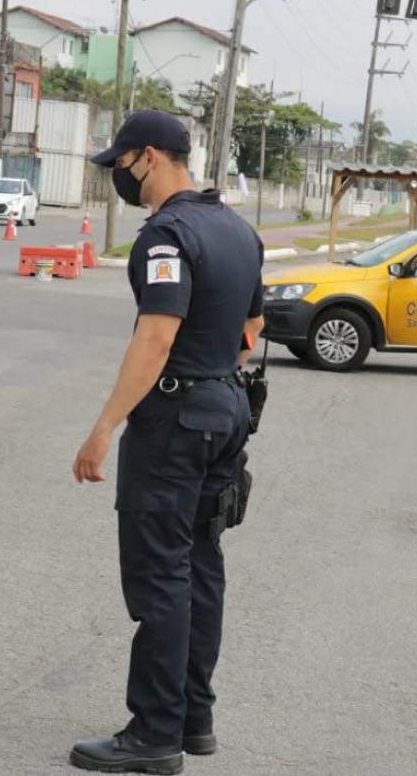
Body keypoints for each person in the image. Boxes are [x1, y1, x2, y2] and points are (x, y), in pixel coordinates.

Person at [69, 110, 264, 775]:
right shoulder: (238, 230)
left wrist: (104, 428)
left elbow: (154, 337)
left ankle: (154, 734)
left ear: (148, 157)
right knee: (201, 563)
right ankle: (193, 716)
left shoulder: (167, 235)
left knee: (161, 575)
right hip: (226, 410)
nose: (117, 177)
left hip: (176, 421)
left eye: (119, 164)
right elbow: (252, 326)